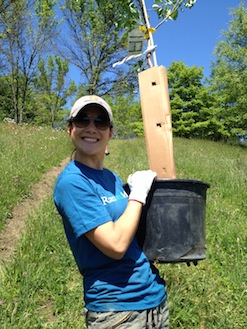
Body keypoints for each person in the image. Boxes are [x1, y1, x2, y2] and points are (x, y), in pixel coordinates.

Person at [53, 95, 169, 328]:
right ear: (70, 128)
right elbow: (116, 245)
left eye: (101, 122)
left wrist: (178, 246)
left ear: (110, 132)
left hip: (154, 298)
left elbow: (132, 232)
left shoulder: (111, 178)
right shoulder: (72, 183)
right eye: (83, 120)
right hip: (117, 310)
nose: (92, 128)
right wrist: (137, 194)